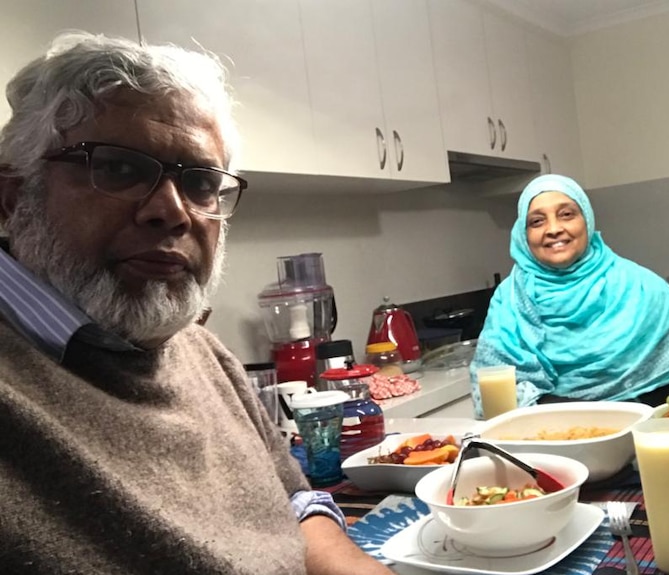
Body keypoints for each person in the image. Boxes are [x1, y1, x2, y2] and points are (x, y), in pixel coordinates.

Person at [0, 32, 392, 574]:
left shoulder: (203, 353)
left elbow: (297, 507)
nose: (173, 212)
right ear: (12, 197)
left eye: (201, 182)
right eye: (117, 167)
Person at [470, 174, 669, 418]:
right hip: (543, 442)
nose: (553, 229)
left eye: (566, 214)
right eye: (537, 221)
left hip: (643, 442)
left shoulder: (643, 289)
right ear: (523, 234)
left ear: (587, 220)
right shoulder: (509, 300)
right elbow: (492, 396)